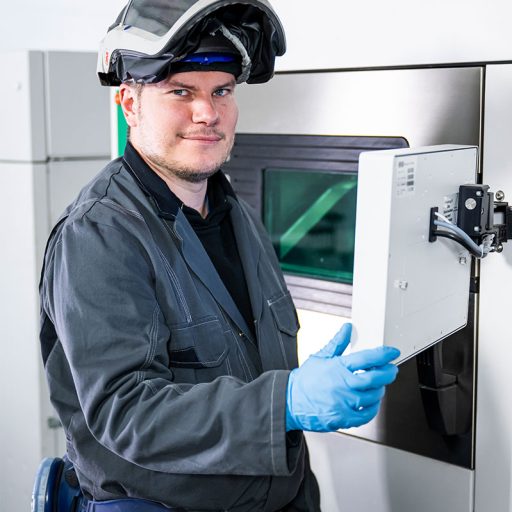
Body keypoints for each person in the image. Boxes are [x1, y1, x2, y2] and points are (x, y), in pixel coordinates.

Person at [39, 1, 400, 510]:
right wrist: (287, 400)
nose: (207, 113)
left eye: (222, 91)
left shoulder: (237, 215)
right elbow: (128, 413)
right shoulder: (99, 236)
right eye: (180, 92)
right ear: (129, 104)